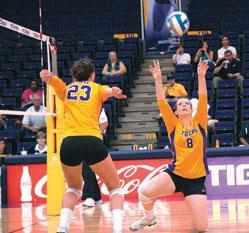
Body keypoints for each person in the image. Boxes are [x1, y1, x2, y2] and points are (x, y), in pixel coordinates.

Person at [40, 58, 127, 233]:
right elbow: (108, 91)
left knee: (73, 188)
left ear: (74, 75)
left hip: (69, 143)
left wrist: (49, 77)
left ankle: (62, 228)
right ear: (93, 74)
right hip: (91, 140)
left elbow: (57, 84)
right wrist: (114, 91)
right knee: (115, 189)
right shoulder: (96, 88)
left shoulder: (68, 89)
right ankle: (117, 230)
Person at [130, 60, 209, 232]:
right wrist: (158, 79)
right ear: (176, 112)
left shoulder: (200, 122)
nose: (184, 105)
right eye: (180, 104)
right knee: (145, 192)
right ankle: (149, 218)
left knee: (201, 228)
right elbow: (161, 102)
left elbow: (203, 97)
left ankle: (194, 209)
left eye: (187, 103)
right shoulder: (173, 125)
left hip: (196, 180)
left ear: (191, 109)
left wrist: (201, 76)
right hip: (176, 174)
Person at [82, 108, 109, 208]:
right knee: (88, 167)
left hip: (95, 140)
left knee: (86, 166)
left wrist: (95, 135)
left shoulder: (97, 106)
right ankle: (96, 197)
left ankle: (89, 196)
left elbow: (104, 123)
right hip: (83, 139)